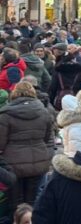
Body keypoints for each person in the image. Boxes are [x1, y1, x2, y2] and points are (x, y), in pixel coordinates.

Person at [0, 81, 54, 210]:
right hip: (38, 163)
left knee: (14, 204)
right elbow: (46, 139)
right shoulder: (45, 113)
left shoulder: (5, 115)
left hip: (13, 166)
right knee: (32, 202)